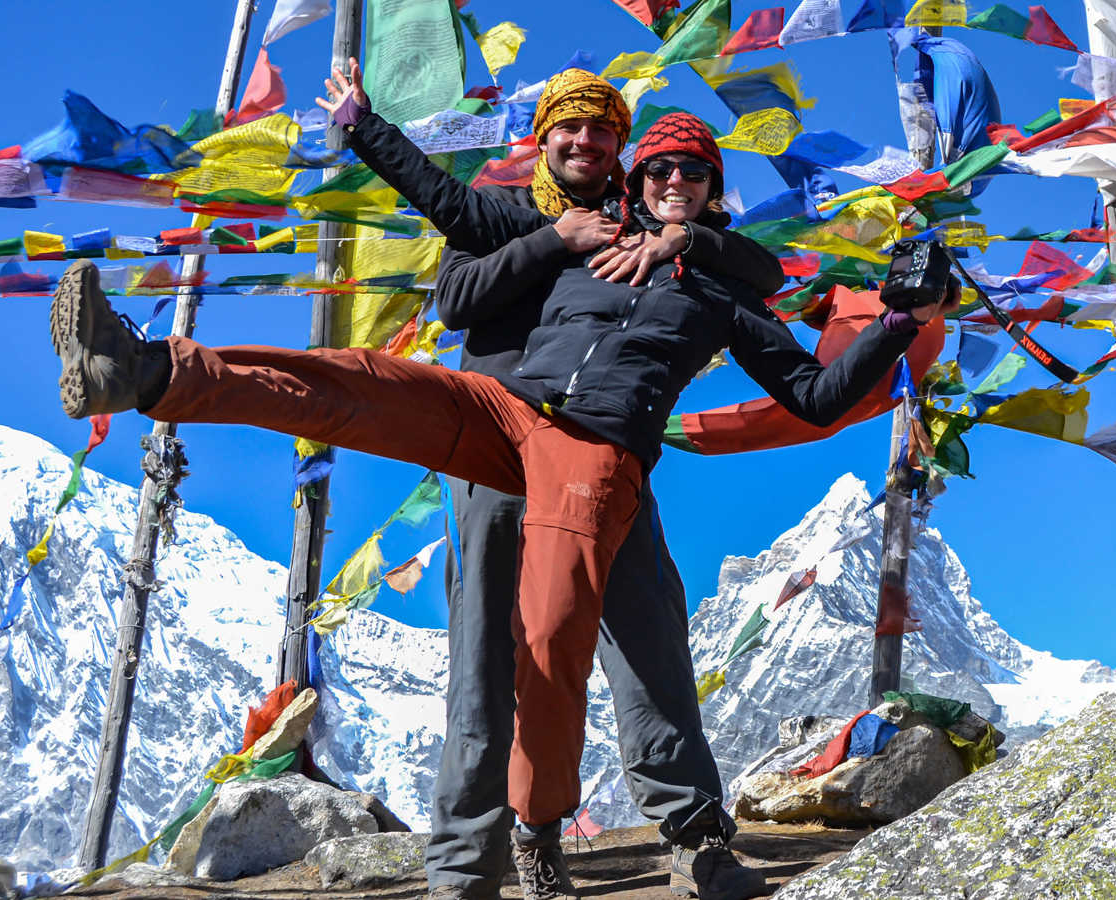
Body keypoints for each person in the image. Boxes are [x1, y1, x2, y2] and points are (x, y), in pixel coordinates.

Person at [49, 84, 952, 900]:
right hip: (502, 412)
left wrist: (905, 319)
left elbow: (816, 391)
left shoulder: (725, 286)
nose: (671, 176)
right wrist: (368, 129)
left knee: (555, 637)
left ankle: (544, 830)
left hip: (596, 450)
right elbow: (447, 224)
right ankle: (141, 370)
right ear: (629, 181)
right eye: (659, 166)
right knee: (360, 380)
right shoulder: (570, 236)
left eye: (693, 169)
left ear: (712, 190)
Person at [380, 68, 782, 900]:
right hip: (494, 445)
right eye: (570, 129)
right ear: (543, 135)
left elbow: (755, 266)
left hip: (602, 451)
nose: (585, 144)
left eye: (603, 133)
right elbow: (455, 300)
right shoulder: (495, 209)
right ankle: (473, 867)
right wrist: (551, 239)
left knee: (648, 634)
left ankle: (696, 837)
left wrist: (684, 241)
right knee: (490, 650)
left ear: (619, 149)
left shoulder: (642, 221)